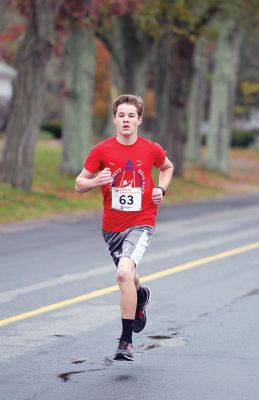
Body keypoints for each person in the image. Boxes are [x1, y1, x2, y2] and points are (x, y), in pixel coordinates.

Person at [75, 94, 174, 361]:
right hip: (112, 227)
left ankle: (125, 342)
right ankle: (140, 296)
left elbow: (167, 167)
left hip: (142, 222)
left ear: (139, 120)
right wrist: (96, 181)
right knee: (129, 276)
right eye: (122, 115)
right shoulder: (102, 150)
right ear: (114, 119)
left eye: (131, 116)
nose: (126, 120)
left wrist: (160, 189)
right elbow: (79, 183)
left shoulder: (151, 148)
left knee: (121, 275)